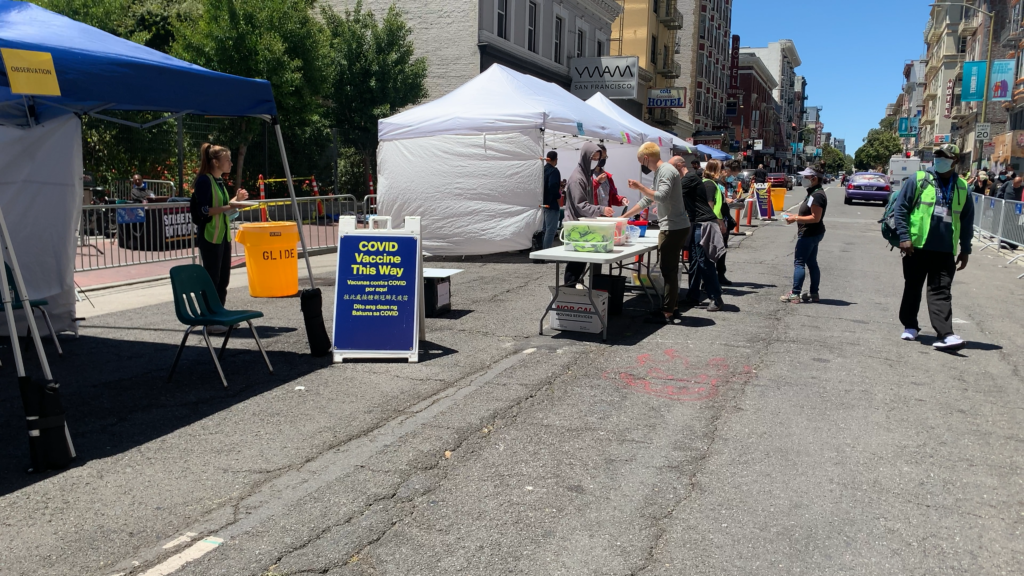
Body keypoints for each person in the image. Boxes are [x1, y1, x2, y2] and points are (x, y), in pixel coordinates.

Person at [894, 143, 973, 351]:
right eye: (937, 156)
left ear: (955, 161)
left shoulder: (963, 187)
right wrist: (904, 236)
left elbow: (966, 221)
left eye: (944, 157)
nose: (939, 160)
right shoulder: (919, 179)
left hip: (945, 250)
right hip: (916, 247)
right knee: (913, 287)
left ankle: (946, 334)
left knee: (941, 291)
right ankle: (910, 325)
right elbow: (900, 208)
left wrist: (965, 249)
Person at [622, 147, 690, 323]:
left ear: (646, 158)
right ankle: (671, 308)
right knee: (669, 269)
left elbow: (661, 197)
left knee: (668, 270)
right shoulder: (661, 171)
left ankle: (668, 312)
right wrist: (624, 217)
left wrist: (640, 186)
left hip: (673, 227)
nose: (641, 166)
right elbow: (648, 199)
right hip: (674, 225)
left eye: (640, 162)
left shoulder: (666, 171)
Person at [191, 143, 249, 318]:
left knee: (223, 279)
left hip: (222, 236)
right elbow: (203, 210)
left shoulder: (219, 181)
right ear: (216, 162)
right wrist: (229, 206)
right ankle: (208, 317)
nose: (230, 163)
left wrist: (235, 201)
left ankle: (219, 314)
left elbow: (223, 207)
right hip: (210, 236)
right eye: (227, 160)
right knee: (212, 279)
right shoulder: (203, 180)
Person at [562, 142, 614, 286]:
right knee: (575, 265)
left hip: (581, 225)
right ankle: (569, 293)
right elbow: (581, 205)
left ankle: (575, 291)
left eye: (597, 159)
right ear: (586, 157)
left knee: (580, 263)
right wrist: (601, 210)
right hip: (575, 227)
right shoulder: (577, 179)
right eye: (593, 159)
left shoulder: (586, 175)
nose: (596, 162)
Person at [681, 158, 726, 311]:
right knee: (695, 261)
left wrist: (719, 221)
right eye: (721, 168)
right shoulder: (704, 182)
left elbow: (710, 205)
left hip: (704, 224)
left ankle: (716, 296)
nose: (723, 172)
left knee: (704, 261)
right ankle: (693, 295)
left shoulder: (703, 182)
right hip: (697, 223)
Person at [781, 165, 828, 303]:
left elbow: (815, 217)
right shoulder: (813, 192)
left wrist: (795, 218)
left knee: (800, 262)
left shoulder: (817, 195)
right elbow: (807, 213)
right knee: (811, 262)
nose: (803, 179)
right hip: (812, 233)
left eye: (806, 177)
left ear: (814, 179)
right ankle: (814, 293)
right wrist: (794, 215)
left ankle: (795, 294)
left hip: (810, 233)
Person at [592, 145, 629, 213]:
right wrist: (597, 182)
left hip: (606, 216)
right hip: (592, 216)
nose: (603, 159)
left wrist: (621, 200)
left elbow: (612, 197)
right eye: (602, 157)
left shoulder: (607, 176)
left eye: (605, 157)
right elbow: (585, 194)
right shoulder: (587, 175)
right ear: (595, 157)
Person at [541, 151, 562, 250]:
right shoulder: (554, 171)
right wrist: (559, 195)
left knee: (544, 229)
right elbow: (552, 186)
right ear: (556, 159)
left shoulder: (542, 170)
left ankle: (541, 250)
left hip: (542, 203)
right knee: (551, 230)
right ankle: (546, 251)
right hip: (551, 203)